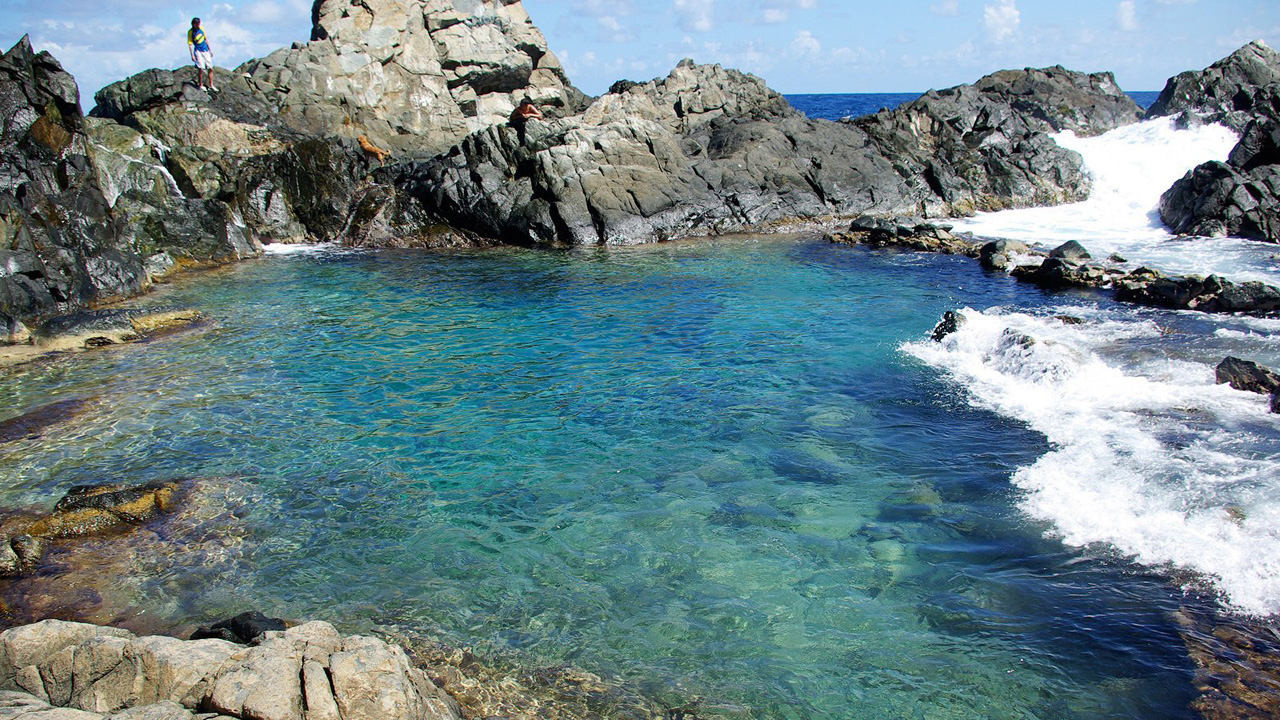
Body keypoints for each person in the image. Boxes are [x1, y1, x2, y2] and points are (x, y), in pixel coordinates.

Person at [188, 18, 216, 92]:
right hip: (198, 51)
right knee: (201, 68)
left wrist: (210, 50)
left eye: (199, 23)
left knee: (210, 67)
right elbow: (190, 44)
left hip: (205, 50)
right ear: (193, 24)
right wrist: (192, 55)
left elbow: (206, 39)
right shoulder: (190, 32)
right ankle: (200, 85)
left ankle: (211, 85)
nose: (198, 25)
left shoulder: (202, 28)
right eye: (197, 24)